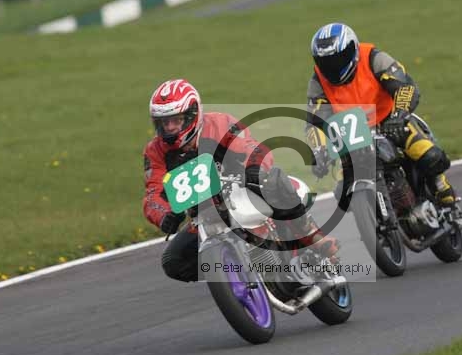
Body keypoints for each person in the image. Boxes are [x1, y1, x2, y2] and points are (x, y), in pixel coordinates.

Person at [142, 79, 339, 282]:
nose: (169, 127)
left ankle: (312, 236)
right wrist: (164, 215)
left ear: (192, 114)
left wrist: (254, 167)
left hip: (241, 190)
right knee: (173, 261)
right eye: (164, 122)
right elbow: (153, 193)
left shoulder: (219, 124)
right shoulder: (154, 151)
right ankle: (229, 275)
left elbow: (250, 146)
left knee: (274, 179)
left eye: (176, 120)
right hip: (202, 216)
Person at [305, 22, 457, 212]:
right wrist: (318, 150)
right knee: (342, 194)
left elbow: (405, 87)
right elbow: (315, 120)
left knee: (428, 155)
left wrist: (399, 115)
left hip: (389, 121)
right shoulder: (318, 81)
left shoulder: (374, 58)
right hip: (352, 135)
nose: (333, 66)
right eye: (326, 62)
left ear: (353, 49)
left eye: (339, 58)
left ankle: (439, 183)